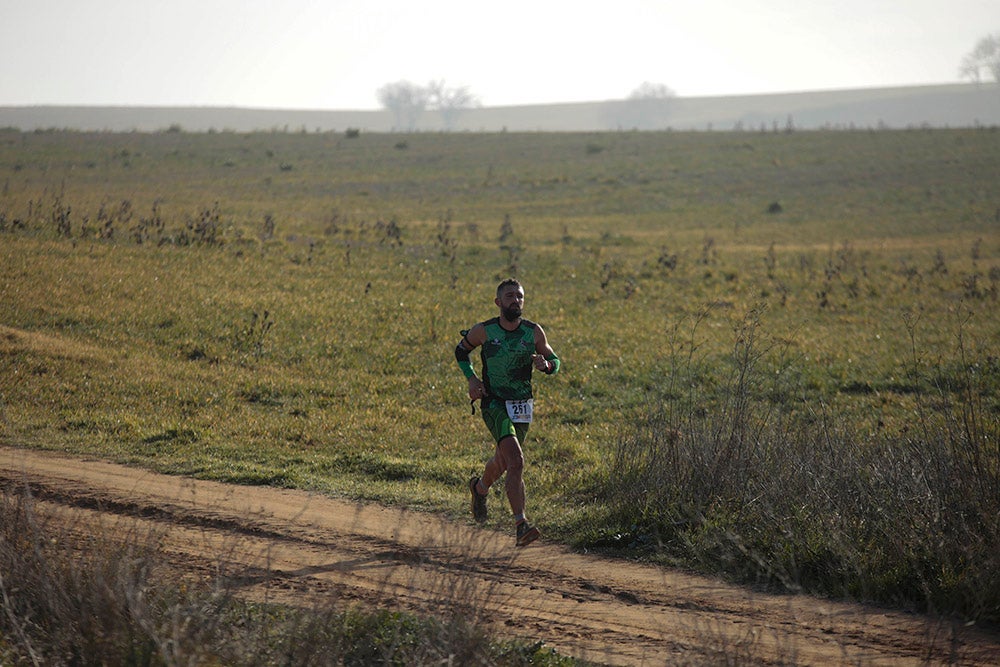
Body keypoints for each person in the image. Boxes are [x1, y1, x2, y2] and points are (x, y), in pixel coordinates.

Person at [454, 278, 561, 547]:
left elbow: (556, 361)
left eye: (520, 296)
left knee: (504, 462)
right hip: (494, 402)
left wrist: (545, 365)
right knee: (516, 460)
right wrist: (472, 379)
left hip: (522, 405)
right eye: (510, 296)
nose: (516, 300)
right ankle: (521, 525)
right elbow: (461, 351)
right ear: (498, 302)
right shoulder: (485, 331)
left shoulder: (533, 332)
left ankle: (479, 489)